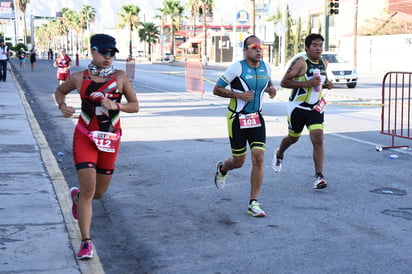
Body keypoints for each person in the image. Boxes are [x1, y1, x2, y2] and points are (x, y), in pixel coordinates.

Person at [54, 34, 139, 259]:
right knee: (89, 189)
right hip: (84, 135)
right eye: (103, 52)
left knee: (98, 193)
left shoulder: (120, 77)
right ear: (92, 51)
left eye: (112, 53)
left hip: (110, 139)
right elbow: (60, 91)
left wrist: (116, 106)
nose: (108, 57)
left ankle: (77, 197)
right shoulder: (79, 78)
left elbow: (135, 105)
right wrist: (62, 106)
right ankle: (86, 242)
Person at [213, 35, 277, 217]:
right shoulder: (236, 68)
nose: (259, 50)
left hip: (256, 118)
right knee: (239, 161)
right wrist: (238, 95)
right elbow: (216, 89)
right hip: (237, 119)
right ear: (246, 50)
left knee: (258, 158)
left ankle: (253, 202)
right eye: (254, 47)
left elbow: (268, 83)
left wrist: (271, 89)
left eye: (261, 47)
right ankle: (223, 168)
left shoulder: (267, 67)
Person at [272, 33, 333, 189]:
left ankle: (319, 176)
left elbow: (321, 82)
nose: (318, 49)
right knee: (293, 138)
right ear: (307, 47)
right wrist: (307, 83)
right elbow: (285, 82)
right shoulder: (301, 63)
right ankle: (279, 153)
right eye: (314, 45)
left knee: (318, 139)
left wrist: (328, 85)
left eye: (320, 45)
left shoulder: (324, 63)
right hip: (298, 108)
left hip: (315, 108)